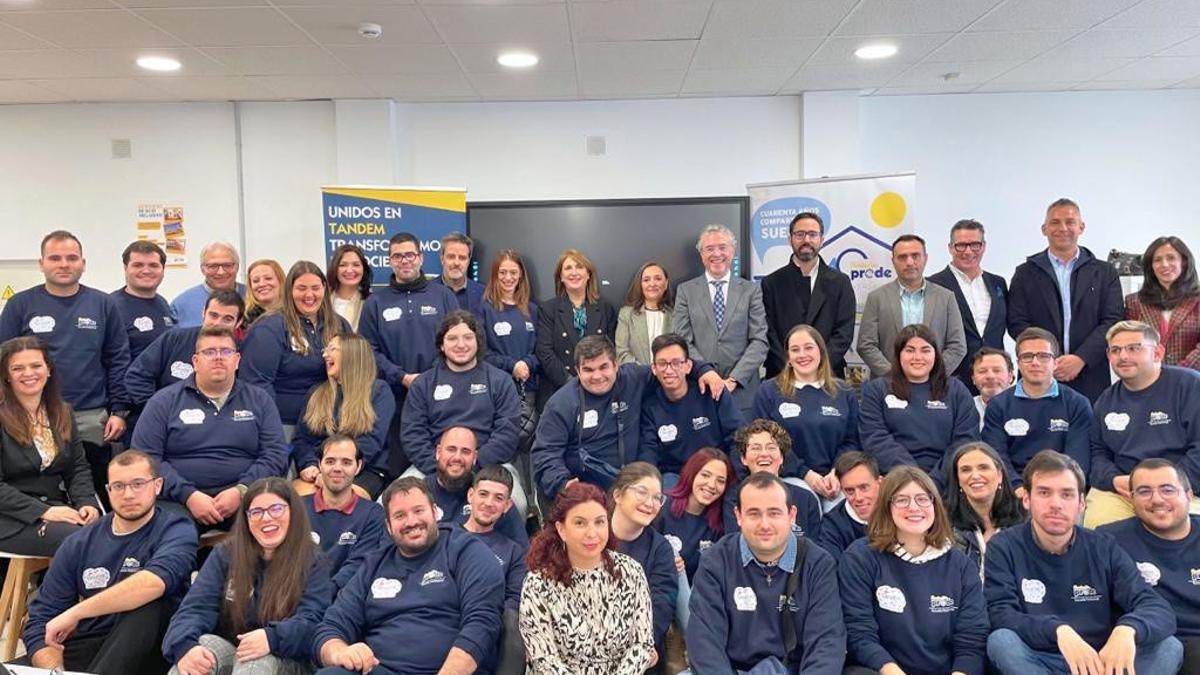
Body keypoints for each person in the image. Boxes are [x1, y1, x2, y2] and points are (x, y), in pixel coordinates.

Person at [985, 450, 1183, 674]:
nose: (1056, 504)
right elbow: (1000, 614)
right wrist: (1058, 631)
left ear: (1081, 504)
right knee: (1002, 642)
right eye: (1044, 493)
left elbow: (1157, 608)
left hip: (1104, 662)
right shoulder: (1004, 546)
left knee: (1169, 647)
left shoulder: (1103, 546)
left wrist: (1128, 629)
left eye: (1067, 494)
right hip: (1044, 661)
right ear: (1027, 499)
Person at [22, 450, 198, 674]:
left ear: (157, 485)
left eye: (138, 484)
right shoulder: (79, 542)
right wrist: (55, 670)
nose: (128, 494)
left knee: (150, 604)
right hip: (91, 645)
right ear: (108, 491)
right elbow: (41, 621)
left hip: (153, 649)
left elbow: (154, 583)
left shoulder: (176, 529)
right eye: (119, 486)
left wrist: (75, 613)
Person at [314, 476, 505, 675]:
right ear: (388, 526)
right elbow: (330, 628)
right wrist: (340, 652)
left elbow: (482, 623)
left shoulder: (467, 551)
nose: (411, 522)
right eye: (399, 516)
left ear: (434, 512)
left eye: (418, 511)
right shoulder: (374, 564)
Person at [0, 230, 131, 500]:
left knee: (93, 486)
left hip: (90, 415)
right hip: (28, 415)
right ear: (41, 263)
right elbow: (3, 360)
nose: (64, 264)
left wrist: (119, 410)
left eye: (72, 258)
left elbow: (118, 359)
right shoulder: (20, 304)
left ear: (83, 263)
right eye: (55, 258)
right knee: (34, 484)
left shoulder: (103, 304)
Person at [163, 478, 333, 675]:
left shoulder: (313, 560)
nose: (267, 518)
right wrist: (184, 647)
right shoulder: (225, 554)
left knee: (254, 662)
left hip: (288, 657)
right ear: (246, 519)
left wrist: (272, 638)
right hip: (232, 645)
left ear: (293, 513)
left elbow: (313, 621)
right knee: (200, 652)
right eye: (257, 512)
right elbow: (195, 607)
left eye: (276, 509)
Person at [686, 472, 845, 674]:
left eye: (774, 513)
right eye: (753, 513)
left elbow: (826, 644)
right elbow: (704, 643)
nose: (765, 524)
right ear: (738, 516)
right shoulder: (716, 561)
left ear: (792, 515)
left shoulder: (818, 564)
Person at [132, 326, 289, 529]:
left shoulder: (259, 400)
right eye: (209, 352)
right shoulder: (163, 401)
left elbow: (275, 455)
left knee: (274, 525)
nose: (218, 358)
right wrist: (188, 495)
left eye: (226, 351)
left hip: (246, 497)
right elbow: (145, 458)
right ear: (195, 362)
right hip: (178, 501)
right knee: (175, 537)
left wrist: (242, 490)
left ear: (237, 360)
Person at [532, 335, 724, 499]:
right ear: (577, 371)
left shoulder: (633, 378)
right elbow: (545, 453)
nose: (597, 376)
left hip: (633, 486)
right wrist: (563, 484)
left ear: (616, 365)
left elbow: (669, 366)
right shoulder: (561, 403)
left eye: (603, 367)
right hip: (587, 489)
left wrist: (704, 370)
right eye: (588, 370)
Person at [839, 465, 988, 675]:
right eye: (901, 500)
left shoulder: (960, 564)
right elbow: (859, 634)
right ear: (886, 506)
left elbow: (972, 639)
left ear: (935, 505)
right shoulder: (860, 557)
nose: (914, 508)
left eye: (923, 499)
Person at [519, 481, 654, 674]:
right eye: (580, 523)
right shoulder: (538, 582)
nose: (592, 533)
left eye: (599, 522)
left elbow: (642, 645)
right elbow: (544, 659)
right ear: (561, 529)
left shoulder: (631, 571)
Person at [359, 232, 459, 478]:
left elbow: (457, 339)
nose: (404, 261)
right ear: (390, 261)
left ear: (421, 258)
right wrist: (401, 376)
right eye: (397, 256)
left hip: (441, 394)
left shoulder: (443, 296)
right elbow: (368, 349)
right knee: (400, 469)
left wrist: (430, 377)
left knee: (442, 463)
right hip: (394, 399)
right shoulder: (375, 303)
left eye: (410, 255)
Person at [1007, 197, 1124, 402]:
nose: (1063, 228)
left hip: (1091, 372)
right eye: (1055, 222)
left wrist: (1080, 359)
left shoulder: (1105, 272)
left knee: (1089, 432)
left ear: (1081, 227)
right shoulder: (1025, 273)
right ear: (1044, 229)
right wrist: (1048, 359)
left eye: (1070, 222)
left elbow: (1112, 321)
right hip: (1039, 374)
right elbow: (1017, 323)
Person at [1085, 319, 1200, 528]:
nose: (1123, 356)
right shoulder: (1105, 400)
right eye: (1115, 350)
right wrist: (1113, 480)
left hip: (1182, 487)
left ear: (1157, 353)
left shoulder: (1190, 386)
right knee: (1096, 529)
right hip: (1124, 490)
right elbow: (1097, 453)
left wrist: (1164, 487)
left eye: (1134, 348)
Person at [400, 311, 521, 497]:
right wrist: (441, 468)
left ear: (478, 342)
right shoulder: (423, 384)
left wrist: (473, 464)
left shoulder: (501, 381)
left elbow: (507, 433)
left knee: (517, 504)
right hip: (433, 468)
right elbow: (412, 434)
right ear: (441, 344)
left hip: (488, 467)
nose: (461, 345)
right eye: (452, 338)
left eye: (468, 337)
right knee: (386, 504)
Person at [0, 336, 100, 555]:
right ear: (7, 376)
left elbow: (77, 467)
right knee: (83, 542)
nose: (29, 373)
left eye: (36, 365)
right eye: (18, 368)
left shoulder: (62, 412)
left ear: (49, 370)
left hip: (57, 509)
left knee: (116, 532)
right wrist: (44, 511)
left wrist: (86, 503)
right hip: (10, 519)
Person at [1098, 458, 1200, 673]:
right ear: (1131, 499)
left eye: (1167, 490)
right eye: (1144, 491)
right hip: (1145, 647)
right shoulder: (1107, 539)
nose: (1157, 500)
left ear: (1189, 496)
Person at [241, 260, 351, 435]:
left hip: (333, 421)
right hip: (285, 424)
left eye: (315, 288)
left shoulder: (339, 325)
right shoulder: (269, 328)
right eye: (301, 288)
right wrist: (271, 426)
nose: (309, 295)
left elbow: (353, 371)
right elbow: (257, 383)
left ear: (325, 288)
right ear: (289, 290)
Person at [753, 324, 859, 502]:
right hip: (789, 478)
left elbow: (852, 440)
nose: (802, 355)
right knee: (806, 504)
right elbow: (767, 443)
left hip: (835, 479)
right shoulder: (769, 391)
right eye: (795, 350)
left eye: (809, 348)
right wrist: (807, 475)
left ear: (821, 352)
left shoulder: (844, 392)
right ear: (788, 357)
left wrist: (836, 472)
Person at [859, 324, 980, 477]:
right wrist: (913, 477)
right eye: (910, 350)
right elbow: (875, 439)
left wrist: (937, 479)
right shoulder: (876, 390)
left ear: (936, 354)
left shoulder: (957, 390)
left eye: (925, 350)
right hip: (895, 477)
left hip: (947, 479)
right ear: (898, 354)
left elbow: (965, 440)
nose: (917, 357)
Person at [981, 326, 1093, 491]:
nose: (1035, 362)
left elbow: (1078, 460)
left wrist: (1050, 491)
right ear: (1018, 363)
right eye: (1027, 356)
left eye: (1043, 356)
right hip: (1013, 491)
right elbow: (997, 457)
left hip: (1061, 488)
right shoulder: (998, 405)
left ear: (1055, 362)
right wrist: (1017, 487)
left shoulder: (1077, 404)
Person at [674, 224, 769, 416]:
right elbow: (682, 340)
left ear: (732, 251)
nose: (717, 254)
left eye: (722, 247)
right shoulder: (685, 291)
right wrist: (707, 373)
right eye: (709, 249)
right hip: (700, 388)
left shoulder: (751, 290)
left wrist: (733, 379)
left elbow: (759, 341)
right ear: (701, 255)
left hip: (743, 392)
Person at [293, 333, 393, 500]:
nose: (325, 354)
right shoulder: (316, 393)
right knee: (298, 500)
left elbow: (371, 442)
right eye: (325, 349)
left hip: (364, 470)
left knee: (338, 500)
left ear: (351, 354)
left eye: (332, 349)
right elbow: (302, 439)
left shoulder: (379, 391)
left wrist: (337, 468)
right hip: (319, 469)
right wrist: (309, 464)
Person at [857, 234, 968, 379]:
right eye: (902, 257)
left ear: (925, 258)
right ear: (893, 261)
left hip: (934, 386)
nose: (909, 262)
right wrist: (893, 375)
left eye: (915, 256)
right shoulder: (877, 298)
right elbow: (866, 345)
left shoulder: (946, 298)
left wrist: (932, 375)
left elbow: (957, 346)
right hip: (889, 385)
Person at [761, 211, 856, 378]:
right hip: (782, 375)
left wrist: (818, 366)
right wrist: (792, 365)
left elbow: (844, 333)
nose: (806, 240)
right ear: (790, 239)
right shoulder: (771, 283)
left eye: (812, 234)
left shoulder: (840, 283)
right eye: (800, 234)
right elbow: (768, 332)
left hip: (828, 375)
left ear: (822, 240)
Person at [639, 333, 744, 481]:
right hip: (676, 478)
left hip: (716, 471)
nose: (669, 370)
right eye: (662, 363)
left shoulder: (712, 391)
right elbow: (648, 453)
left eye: (676, 363)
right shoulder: (650, 406)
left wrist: (737, 479)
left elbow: (737, 436)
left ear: (688, 366)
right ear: (654, 369)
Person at [480, 249, 540, 495]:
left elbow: (542, 350)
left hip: (530, 391)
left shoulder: (533, 310)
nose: (507, 277)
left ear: (521, 275)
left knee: (530, 451)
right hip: (497, 393)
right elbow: (481, 353)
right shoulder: (484, 309)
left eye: (513, 272)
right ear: (495, 275)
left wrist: (526, 363)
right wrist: (510, 365)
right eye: (502, 272)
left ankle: (532, 506)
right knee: (505, 451)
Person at [459, 464, 528, 675]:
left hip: (486, 632)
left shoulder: (513, 551)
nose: (489, 503)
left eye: (498, 498)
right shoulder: (444, 536)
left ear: (507, 505)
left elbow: (513, 601)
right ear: (471, 495)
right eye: (483, 494)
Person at [126, 289, 245, 408]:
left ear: (239, 322)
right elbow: (137, 376)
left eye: (227, 319)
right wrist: (158, 411)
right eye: (213, 315)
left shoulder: (242, 352)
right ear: (203, 312)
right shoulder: (174, 339)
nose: (217, 323)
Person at [929, 219, 1010, 393]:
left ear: (984, 246)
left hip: (994, 378)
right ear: (950, 247)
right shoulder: (933, 285)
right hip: (952, 377)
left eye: (974, 245)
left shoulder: (998, 283)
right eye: (961, 245)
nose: (968, 251)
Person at [609, 462, 677, 661]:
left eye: (657, 498)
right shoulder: (593, 534)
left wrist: (641, 642)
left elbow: (662, 603)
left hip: (637, 646)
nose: (650, 503)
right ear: (618, 495)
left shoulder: (660, 548)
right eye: (642, 492)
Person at [301, 435, 387, 592]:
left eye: (346, 462)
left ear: (359, 466)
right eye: (330, 461)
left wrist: (324, 594)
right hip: (299, 596)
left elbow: (359, 566)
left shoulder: (373, 515)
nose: (337, 468)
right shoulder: (297, 508)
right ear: (319, 464)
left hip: (344, 598)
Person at [535, 248, 618, 402]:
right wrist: (572, 383)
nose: (574, 272)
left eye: (579, 267)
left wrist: (593, 379)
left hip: (598, 388)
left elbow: (611, 350)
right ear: (561, 277)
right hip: (559, 391)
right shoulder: (548, 309)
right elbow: (544, 352)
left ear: (588, 274)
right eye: (568, 268)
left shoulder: (606, 309)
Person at [425, 426, 529, 546]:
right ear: (438, 452)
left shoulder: (490, 494)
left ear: (474, 457)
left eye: (465, 451)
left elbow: (522, 552)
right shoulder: (420, 493)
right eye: (451, 449)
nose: (457, 457)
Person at [726, 419, 822, 540]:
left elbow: (814, 549)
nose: (764, 454)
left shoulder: (806, 498)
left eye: (771, 448)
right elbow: (734, 546)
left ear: (781, 457)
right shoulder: (734, 498)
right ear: (743, 459)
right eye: (756, 448)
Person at [942, 441, 1026, 576]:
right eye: (966, 470)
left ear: (1000, 475)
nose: (975, 476)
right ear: (957, 480)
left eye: (983, 467)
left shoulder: (1025, 520)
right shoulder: (943, 523)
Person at [660, 447, 735, 581]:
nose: (712, 485)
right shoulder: (662, 507)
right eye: (705, 475)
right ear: (691, 474)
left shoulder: (721, 522)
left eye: (720, 481)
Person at [1126, 235, 1199, 370]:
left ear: (1184, 261)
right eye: (1157, 260)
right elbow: (1132, 343)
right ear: (1151, 266)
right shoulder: (1135, 302)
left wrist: (1176, 376)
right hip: (1149, 381)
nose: (1164, 264)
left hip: (1193, 382)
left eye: (1171, 258)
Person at [111, 240, 175, 363]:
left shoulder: (163, 303)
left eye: (153, 265)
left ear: (163, 269)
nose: (146, 271)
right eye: (138, 265)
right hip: (127, 381)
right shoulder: (111, 306)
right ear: (125, 268)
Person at [816, 451, 881, 562]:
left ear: (880, 483)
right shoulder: (832, 525)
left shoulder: (899, 511)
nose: (858, 497)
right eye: (850, 491)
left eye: (864, 487)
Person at [171, 241, 245, 327]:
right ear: (202, 269)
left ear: (237, 267)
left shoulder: (253, 298)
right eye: (213, 266)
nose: (221, 272)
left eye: (227, 265)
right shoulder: (181, 305)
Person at [616, 260, 675, 366]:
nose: (652, 284)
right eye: (646, 280)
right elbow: (621, 353)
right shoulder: (626, 314)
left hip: (669, 377)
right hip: (637, 377)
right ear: (640, 285)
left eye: (658, 279)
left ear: (666, 284)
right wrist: (647, 373)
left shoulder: (675, 315)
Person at [432, 231, 485, 315]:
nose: (456, 263)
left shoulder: (483, 294)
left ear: (468, 261)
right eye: (451, 257)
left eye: (462, 258)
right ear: (442, 259)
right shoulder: (428, 292)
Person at [327, 244, 373, 331]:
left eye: (356, 265)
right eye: (343, 265)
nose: (349, 270)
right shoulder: (322, 301)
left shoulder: (372, 303)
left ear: (364, 268)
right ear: (335, 268)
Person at [969, 346, 1014, 425]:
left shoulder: (1026, 407)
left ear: (1010, 376)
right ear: (973, 379)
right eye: (982, 371)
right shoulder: (964, 408)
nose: (990, 376)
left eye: (997, 370)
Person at [244, 258, 285, 326]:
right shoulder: (243, 319)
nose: (262, 284)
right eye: (256, 281)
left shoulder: (295, 313)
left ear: (281, 281)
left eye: (268, 278)